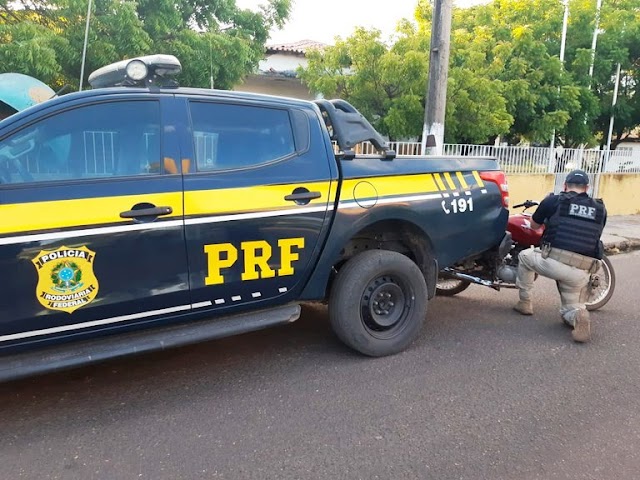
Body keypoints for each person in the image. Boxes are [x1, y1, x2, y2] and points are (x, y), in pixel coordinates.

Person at [513, 169, 607, 343]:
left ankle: (525, 303)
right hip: (582, 270)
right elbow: (596, 233)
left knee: (525, 257)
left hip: (556, 261)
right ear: (586, 188)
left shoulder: (554, 200)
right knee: (570, 309)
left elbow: (534, 226)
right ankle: (578, 316)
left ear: (565, 186)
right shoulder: (600, 208)